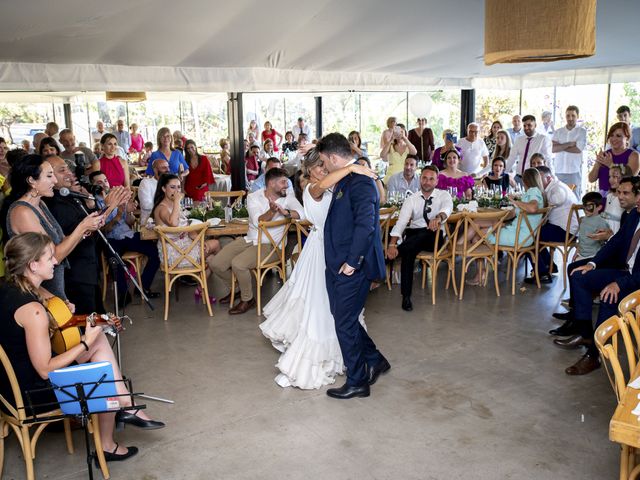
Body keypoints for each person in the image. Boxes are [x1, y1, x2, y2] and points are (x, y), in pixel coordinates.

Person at [0, 233, 164, 462]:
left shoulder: (10, 286)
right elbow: (45, 370)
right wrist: (85, 341)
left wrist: (60, 309)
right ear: (33, 265)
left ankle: (124, 406)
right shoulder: (33, 311)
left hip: (7, 385)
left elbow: (35, 319)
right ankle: (111, 435)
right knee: (102, 373)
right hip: (31, 394)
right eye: (50, 258)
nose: (56, 262)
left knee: (99, 344)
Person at [259, 149, 377, 389]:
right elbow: (324, 185)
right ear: (309, 170)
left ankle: (363, 357)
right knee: (321, 307)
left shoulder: (335, 186)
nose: (323, 171)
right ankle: (334, 359)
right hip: (321, 251)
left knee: (340, 311)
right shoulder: (312, 189)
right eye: (319, 167)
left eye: (324, 166)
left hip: (336, 250)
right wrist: (353, 167)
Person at [317, 133, 389, 399]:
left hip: (351, 266)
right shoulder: (346, 177)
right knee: (344, 319)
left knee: (345, 323)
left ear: (335, 158)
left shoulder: (361, 183)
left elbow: (366, 226)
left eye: (325, 162)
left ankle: (358, 381)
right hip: (336, 263)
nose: (324, 168)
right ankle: (375, 359)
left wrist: (352, 262)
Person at [557, 182, 640, 375]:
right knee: (579, 275)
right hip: (624, 271)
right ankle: (586, 334)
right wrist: (593, 263)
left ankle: (594, 355)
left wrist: (618, 284)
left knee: (608, 295)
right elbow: (617, 241)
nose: (637, 201)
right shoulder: (634, 214)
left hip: (635, 281)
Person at [0, 155, 104, 299]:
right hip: (39, 292)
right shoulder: (22, 212)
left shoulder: (40, 204)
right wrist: (81, 227)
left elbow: (61, 241)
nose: (54, 181)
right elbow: (53, 256)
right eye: (49, 176)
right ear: (31, 181)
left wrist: (87, 229)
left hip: (54, 286)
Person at [211, 168, 304, 315]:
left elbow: (303, 214)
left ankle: (248, 299)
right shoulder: (254, 196)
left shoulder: (288, 197)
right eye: (283, 182)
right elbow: (256, 221)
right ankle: (237, 289)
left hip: (272, 246)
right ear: (271, 183)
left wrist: (285, 213)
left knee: (238, 264)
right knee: (216, 263)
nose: (287, 185)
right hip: (250, 239)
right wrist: (272, 212)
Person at [43, 156, 128, 314]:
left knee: (96, 317)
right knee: (87, 321)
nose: (70, 173)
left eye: (69, 169)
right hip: (75, 273)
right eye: (62, 170)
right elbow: (83, 229)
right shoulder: (55, 204)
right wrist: (109, 207)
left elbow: (90, 228)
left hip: (88, 268)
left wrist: (92, 204)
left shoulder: (68, 196)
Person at [386, 166, 453, 311]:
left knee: (426, 232)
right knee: (409, 251)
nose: (427, 182)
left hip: (434, 238)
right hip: (414, 236)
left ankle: (389, 257)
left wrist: (438, 218)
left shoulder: (444, 195)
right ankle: (406, 297)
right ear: (420, 179)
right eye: (424, 178)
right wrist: (391, 245)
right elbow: (401, 223)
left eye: (431, 179)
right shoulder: (411, 199)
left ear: (436, 181)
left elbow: (447, 209)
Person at [90, 171, 161, 306]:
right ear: (93, 186)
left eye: (105, 180)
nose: (104, 184)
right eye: (99, 183)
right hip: (110, 238)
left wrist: (128, 211)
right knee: (114, 260)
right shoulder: (94, 203)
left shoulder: (117, 196)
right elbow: (104, 230)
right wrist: (119, 214)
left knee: (156, 252)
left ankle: (143, 288)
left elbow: (130, 222)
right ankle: (123, 294)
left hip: (128, 234)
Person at [152, 174, 220, 303]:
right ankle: (201, 287)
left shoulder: (173, 204)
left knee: (212, 259)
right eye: (172, 187)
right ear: (163, 189)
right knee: (216, 246)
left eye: (178, 187)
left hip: (184, 247)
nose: (176, 191)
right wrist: (178, 201)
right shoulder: (161, 208)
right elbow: (173, 223)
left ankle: (201, 287)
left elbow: (186, 227)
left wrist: (200, 241)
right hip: (174, 254)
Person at [526, 165, 579, 284]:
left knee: (527, 237)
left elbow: (559, 198)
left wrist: (545, 203)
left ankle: (542, 274)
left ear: (549, 178)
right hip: (568, 230)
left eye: (540, 178)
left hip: (565, 231)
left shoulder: (556, 187)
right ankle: (549, 266)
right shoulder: (555, 186)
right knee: (535, 234)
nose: (537, 181)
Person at [589, 122, 640, 195]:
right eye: (611, 135)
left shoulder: (634, 155)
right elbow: (591, 179)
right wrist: (598, 163)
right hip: (603, 199)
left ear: (627, 138)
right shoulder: (605, 154)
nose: (614, 139)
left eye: (618, 136)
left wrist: (611, 165)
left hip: (622, 199)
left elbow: (629, 180)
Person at [552, 106, 587, 197]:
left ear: (577, 116)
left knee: (574, 199)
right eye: (568, 116)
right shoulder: (558, 132)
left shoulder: (581, 132)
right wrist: (569, 144)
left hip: (573, 171)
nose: (570, 118)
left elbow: (578, 149)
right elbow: (552, 149)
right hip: (559, 170)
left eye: (573, 116)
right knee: (558, 198)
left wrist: (560, 146)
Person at [509, 115, 553, 179]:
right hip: (519, 177)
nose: (526, 128)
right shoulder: (519, 140)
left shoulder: (543, 139)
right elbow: (512, 158)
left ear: (535, 125)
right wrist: (504, 173)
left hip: (534, 178)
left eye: (529, 125)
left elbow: (548, 159)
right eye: (524, 126)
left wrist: (552, 177)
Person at [139, 158, 170, 224]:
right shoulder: (146, 183)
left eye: (168, 167)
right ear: (155, 170)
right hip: (150, 222)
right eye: (164, 168)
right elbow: (146, 205)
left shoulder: (170, 184)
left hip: (169, 219)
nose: (168, 170)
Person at [601, 165, 628, 234]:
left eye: (615, 177)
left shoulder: (624, 198)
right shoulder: (609, 195)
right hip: (605, 226)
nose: (611, 179)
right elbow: (605, 212)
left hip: (616, 228)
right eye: (610, 176)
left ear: (623, 178)